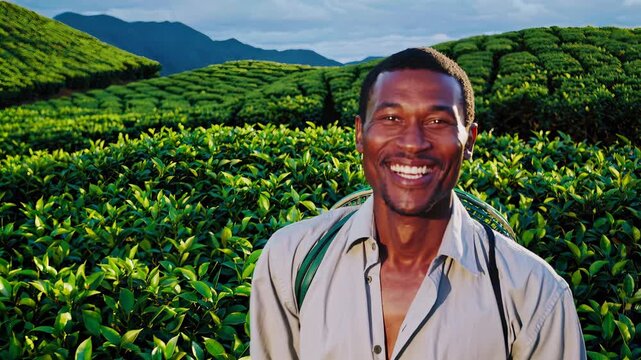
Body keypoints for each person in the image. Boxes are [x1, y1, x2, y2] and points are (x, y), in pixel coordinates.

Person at [249, 47, 586, 359]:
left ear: (469, 141)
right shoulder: (292, 260)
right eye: (391, 118)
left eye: (437, 121)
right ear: (359, 134)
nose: (412, 144)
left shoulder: (534, 292)